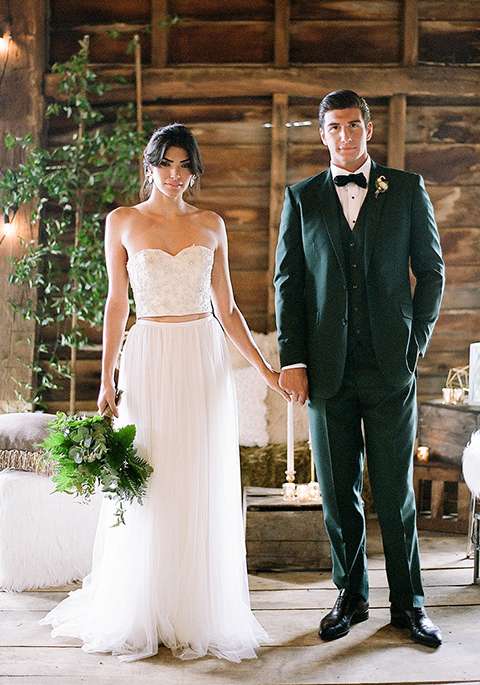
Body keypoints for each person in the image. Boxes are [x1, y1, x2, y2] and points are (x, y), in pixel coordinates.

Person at [41, 123, 286, 662]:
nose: (175, 175)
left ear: (194, 171)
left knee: (196, 475)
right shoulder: (123, 221)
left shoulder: (212, 224)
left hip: (202, 354)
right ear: (150, 165)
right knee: (150, 475)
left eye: (185, 166)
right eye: (166, 164)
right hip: (148, 353)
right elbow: (114, 304)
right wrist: (106, 378)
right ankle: (142, 604)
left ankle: (196, 608)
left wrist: (267, 372)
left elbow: (228, 310)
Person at [274, 90, 445, 648]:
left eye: (353, 125)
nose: (344, 136)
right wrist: (293, 361)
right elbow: (288, 284)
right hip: (324, 372)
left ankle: (409, 606)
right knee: (337, 490)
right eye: (333, 127)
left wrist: (413, 343)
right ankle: (350, 596)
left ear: (368, 129)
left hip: (390, 369)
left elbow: (432, 274)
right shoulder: (301, 199)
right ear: (321, 134)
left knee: (395, 490)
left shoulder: (408, 190)